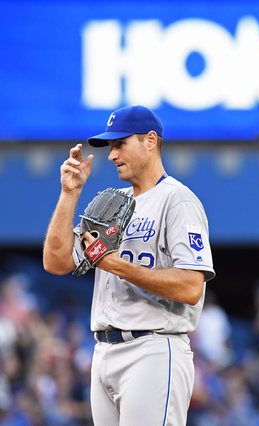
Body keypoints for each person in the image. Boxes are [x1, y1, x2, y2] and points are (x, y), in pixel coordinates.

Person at [42, 105, 215, 425]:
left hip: (153, 349)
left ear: (151, 140)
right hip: (104, 351)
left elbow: (192, 287)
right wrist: (69, 194)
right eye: (111, 146)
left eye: (120, 143)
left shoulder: (178, 200)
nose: (111, 154)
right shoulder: (113, 202)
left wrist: (116, 265)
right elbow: (56, 262)